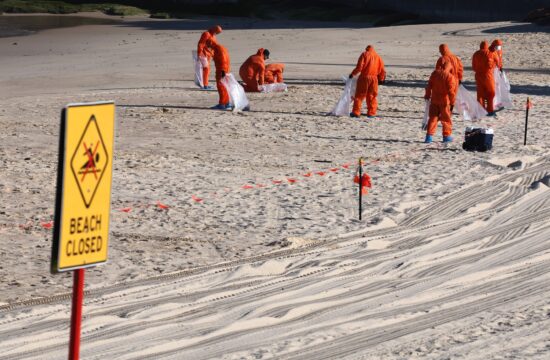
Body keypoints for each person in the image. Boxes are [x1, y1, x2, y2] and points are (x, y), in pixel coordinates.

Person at [349, 45, 386, 118]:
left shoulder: (364, 54)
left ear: (367, 49)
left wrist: (353, 74)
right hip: (374, 79)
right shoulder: (378, 56)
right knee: (372, 96)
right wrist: (381, 79)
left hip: (364, 77)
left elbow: (359, 67)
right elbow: (382, 70)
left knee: (359, 95)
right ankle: (371, 113)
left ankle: (356, 112)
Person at [424, 61, 456, 143]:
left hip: (434, 100)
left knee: (433, 118)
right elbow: (451, 92)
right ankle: (446, 136)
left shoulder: (435, 73)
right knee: (446, 119)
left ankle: (429, 137)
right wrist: (452, 103)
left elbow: (428, 86)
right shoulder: (449, 77)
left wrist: (427, 95)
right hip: (445, 102)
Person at [472, 41, 499, 116]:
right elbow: (498, 62)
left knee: (480, 93)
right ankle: (490, 110)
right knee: (491, 92)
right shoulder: (490, 53)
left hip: (478, 75)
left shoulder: (476, 54)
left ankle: (481, 110)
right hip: (488, 75)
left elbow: (473, 67)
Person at [435, 44, 463, 109]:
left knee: (446, 97)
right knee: (453, 95)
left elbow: (438, 71)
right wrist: (460, 78)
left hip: (446, 80)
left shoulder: (442, 59)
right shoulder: (455, 57)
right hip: (455, 80)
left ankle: (447, 112)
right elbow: (460, 68)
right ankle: (450, 108)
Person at [207, 40, 231, 110]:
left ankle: (222, 104)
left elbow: (223, 59)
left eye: (208, 45)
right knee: (225, 86)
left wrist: (223, 70)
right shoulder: (219, 48)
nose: (208, 47)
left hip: (222, 70)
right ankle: (227, 103)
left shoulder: (218, 49)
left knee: (221, 87)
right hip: (224, 69)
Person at [197, 25, 222, 90]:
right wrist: (199, 53)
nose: (217, 33)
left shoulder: (213, 36)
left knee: (207, 70)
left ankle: (206, 84)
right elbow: (201, 43)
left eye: (218, 32)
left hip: (209, 54)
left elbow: (214, 46)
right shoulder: (206, 34)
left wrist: (214, 55)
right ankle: (205, 85)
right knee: (206, 69)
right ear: (214, 29)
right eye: (217, 32)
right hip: (203, 54)